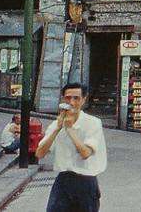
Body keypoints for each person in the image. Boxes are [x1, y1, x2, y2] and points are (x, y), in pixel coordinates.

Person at [36, 83, 107, 212]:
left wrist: (70, 129)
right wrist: (57, 129)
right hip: (63, 180)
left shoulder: (93, 123)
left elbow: (85, 153)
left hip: (86, 180)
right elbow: (39, 153)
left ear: (84, 100)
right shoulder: (56, 124)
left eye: (76, 98)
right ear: (63, 99)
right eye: (68, 98)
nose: (72, 102)